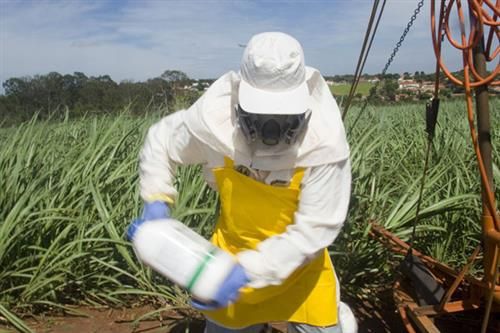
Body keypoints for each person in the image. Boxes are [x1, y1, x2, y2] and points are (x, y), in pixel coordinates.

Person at [135, 32, 357, 333]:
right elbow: (161, 141)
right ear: (240, 98)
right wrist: (156, 197)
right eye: (261, 114)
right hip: (227, 262)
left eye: (283, 117)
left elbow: (314, 230)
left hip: (300, 267)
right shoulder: (213, 124)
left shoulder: (325, 142)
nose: (270, 129)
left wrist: (248, 272)